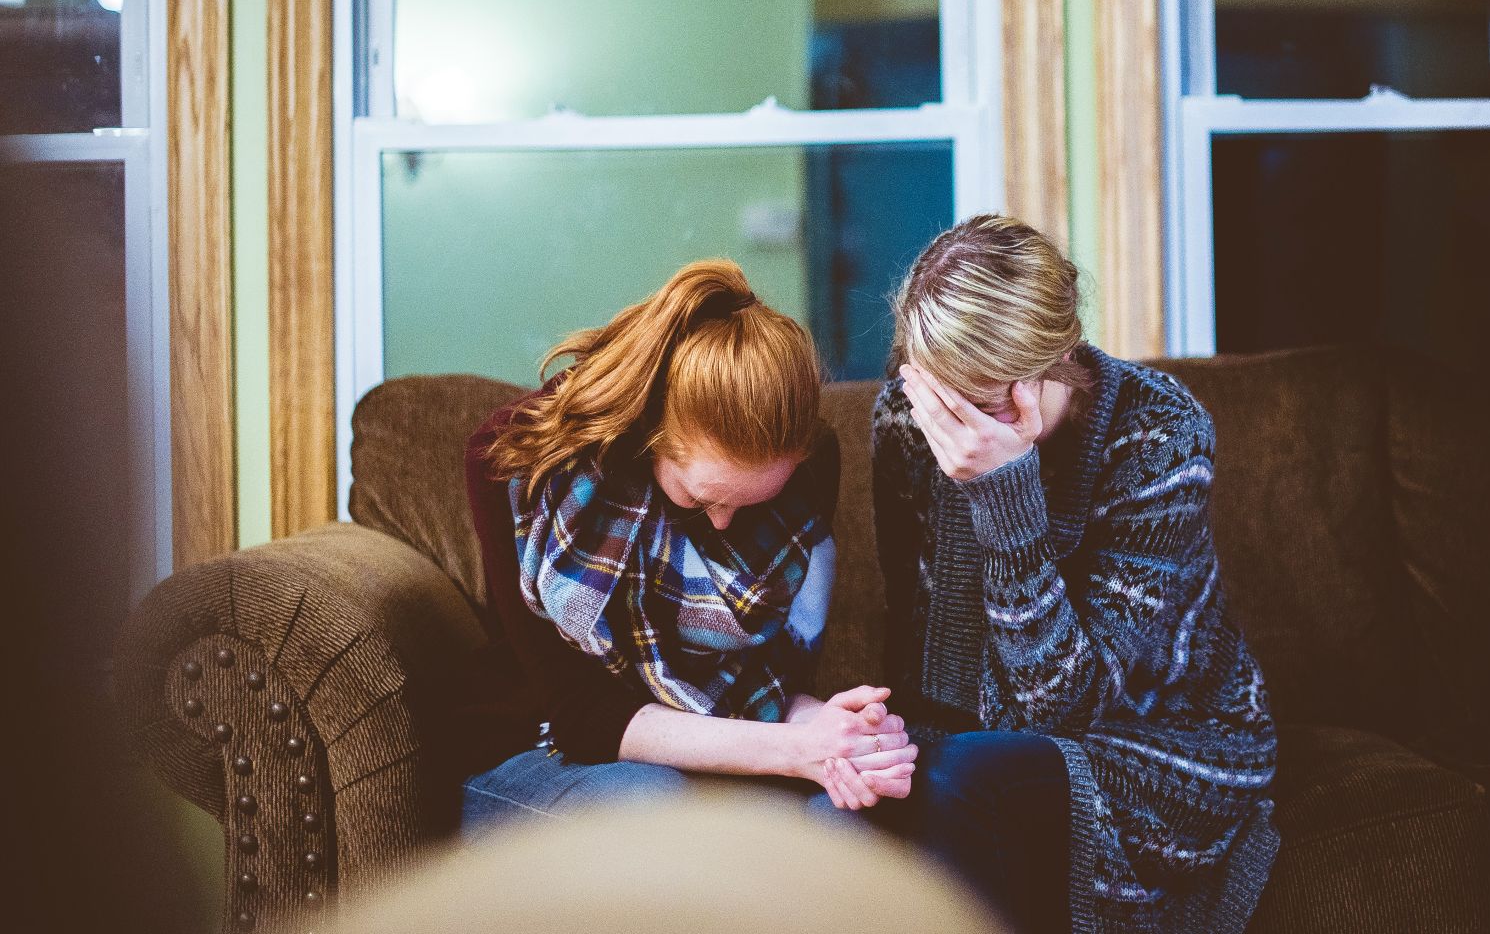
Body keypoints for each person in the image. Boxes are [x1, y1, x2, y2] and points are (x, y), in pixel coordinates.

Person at [871, 216, 1281, 933]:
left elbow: (1064, 712)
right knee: (871, 795)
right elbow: (922, 639)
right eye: (937, 392)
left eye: (980, 398)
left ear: (1051, 362)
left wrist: (1007, 497)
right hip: (980, 739)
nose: (949, 423)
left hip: (1162, 739)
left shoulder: (1159, 434)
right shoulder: (910, 421)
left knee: (963, 780)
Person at [460, 259, 916, 834]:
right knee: (656, 806)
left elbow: (768, 684)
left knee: (849, 818)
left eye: (749, 505)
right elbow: (582, 718)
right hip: (539, 746)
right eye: (702, 500)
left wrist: (838, 731)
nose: (725, 525)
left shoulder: (809, 466)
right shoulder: (517, 463)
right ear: (650, 437)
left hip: (716, 743)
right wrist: (795, 751)